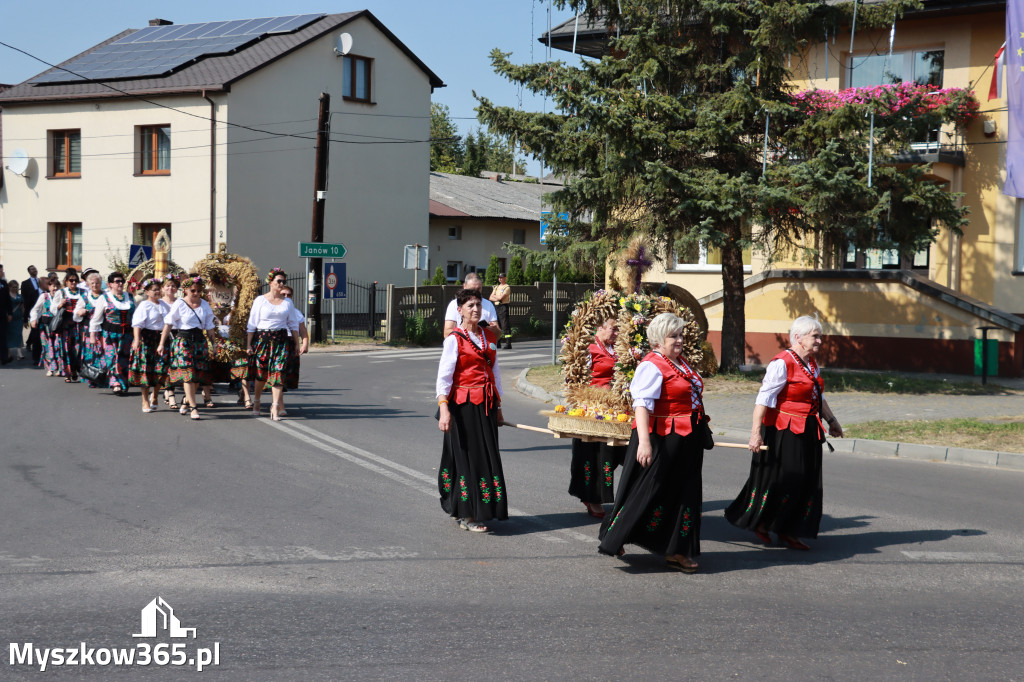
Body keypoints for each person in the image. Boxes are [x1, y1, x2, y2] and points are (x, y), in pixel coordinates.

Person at [598, 313, 708, 573]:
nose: (680, 340)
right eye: (674, 336)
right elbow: (641, 405)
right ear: (658, 340)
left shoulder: (680, 363)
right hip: (661, 438)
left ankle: (677, 549)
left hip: (687, 440)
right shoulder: (652, 365)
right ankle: (615, 535)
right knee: (644, 490)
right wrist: (644, 444)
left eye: (681, 335)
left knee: (686, 494)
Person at [724, 315, 843, 551]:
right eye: (815, 336)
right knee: (786, 478)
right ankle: (764, 522)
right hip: (784, 431)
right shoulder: (782, 363)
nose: (820, 340)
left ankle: (790, 531)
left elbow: (818, 396)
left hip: (808, 429)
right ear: (798, 337)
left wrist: (831, 420)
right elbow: (763, 400)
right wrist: (755, 434)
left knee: (806, 480)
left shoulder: (811, 363)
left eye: (820, 336)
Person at [435, 288, 508, 533]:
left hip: (486, 405)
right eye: (470, 306)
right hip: (463, 407)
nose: (475, 309)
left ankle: (482, 509)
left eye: (478, 304)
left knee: (487, 456)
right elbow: (444, 377)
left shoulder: (489, 337)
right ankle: (467, 514)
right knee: (468, 458)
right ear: (460, 311)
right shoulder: (454, 339)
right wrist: (444, 410)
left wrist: (498, 406)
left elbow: (494, 373)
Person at [569, 315, 627, 518]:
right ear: (599, 328)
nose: (616, 333)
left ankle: (600, 494)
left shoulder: (617, 348)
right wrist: (583, 404)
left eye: (618, 329)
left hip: (615, 408)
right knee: (594, 453)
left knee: (615, 452)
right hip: (593, 408)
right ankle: (592, 497)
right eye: (613, 329)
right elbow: (577, 377)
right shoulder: (588, 348)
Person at [158, 275, 218, 420]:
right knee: (188, 374)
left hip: (199, 341)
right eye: (193, 290)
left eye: (198, 290)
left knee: (197, 375)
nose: (196, 293)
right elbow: (168, 324)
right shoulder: (179, 303)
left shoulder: (204, 304)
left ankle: (186, 400)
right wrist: (161, 343)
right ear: (185, 290)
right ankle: (193, 407)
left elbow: (209, 327)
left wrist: (214, 344)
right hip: (183, 340)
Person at [246, 268, 299, 421]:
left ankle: (275, 406)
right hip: (263, 339)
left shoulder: (288, 302)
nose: (282, 284)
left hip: (281, 340)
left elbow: (293, 324)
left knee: (278, 372)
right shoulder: (260, 300)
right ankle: (257, 401)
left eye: (283, 281)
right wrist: (249, 344)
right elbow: (252, 325)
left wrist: (296, 343)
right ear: (271, 282)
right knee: (261, 375)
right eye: (279, 281)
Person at [89, 271, 136, 395]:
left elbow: (135, 317)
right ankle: (115, 383)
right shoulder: (104, 298)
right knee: (112, 357)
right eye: (117, 281)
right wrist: (93, 336)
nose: (120, 284)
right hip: (110, 334)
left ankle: (123, 383)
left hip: (127, 334)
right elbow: (96, 318)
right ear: (110, 284)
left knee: (124, 358)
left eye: (122, 281)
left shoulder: (130, 297)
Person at [128, 278, 167, 413]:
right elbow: (137, 324)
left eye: (158, 289)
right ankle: (145, 400)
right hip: (147, 338)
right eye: (154, 290)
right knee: (146, 370)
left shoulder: (163, 304)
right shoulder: (144, 305)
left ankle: (155, 395)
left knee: (161, 370)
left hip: (161, 338)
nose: (157, 292)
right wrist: (137, 340)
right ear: (147, 292)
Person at [278, 284, 309, 417]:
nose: (286, 297)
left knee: (286, 375)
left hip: (291, 344)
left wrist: (305, 344)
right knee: (278, 374)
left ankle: (278, 402)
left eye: (288, 295)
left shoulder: (296, 312)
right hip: (278, 343)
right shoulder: (275, 309)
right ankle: (280, 405)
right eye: (283, 294)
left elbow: (302, 329)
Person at [74, 271, 107, 387]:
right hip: (89, 329)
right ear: (88, 284)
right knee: (90, 352)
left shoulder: (106, 295)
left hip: (103, 328)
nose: (95, 285)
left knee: (103, 352)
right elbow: (76, 311)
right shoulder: (85, 297)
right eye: (92, 283)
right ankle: (92, 378)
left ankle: (103, 377)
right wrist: (80, 312)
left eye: (97, 283)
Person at [442, 272, 500, 338]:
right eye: (472, 290)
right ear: (464, 286)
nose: (475, 293)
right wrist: (471, 336)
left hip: (484, 346)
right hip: (463, 346)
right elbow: (447, 333)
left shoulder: (488, 305)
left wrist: (495, 331)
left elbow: (497, 334)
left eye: (478, 289)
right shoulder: (454, 304)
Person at [29, 274, 63, 376]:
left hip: (57, 326)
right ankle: (50, 368)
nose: (55, 288)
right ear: (49, 287)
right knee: (48, 346)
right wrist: (33, 319)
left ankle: (59, 368)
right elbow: (35, 309)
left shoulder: (61, 297)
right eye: (53, 286)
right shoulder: (44, 296)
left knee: (58, 346)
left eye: (57, 286)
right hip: (45, 326)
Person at [51, 269, 82, 381]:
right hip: (65, 325)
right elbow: (53, 309)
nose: (73, 283)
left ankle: (75, 369)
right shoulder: (61, 292)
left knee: (77, 348)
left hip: (79, 324)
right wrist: (60, 305)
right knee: (66, 349)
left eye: (75, 280)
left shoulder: (82, 292)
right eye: (71, 280)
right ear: (66, 281)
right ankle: (68, 372)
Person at [158, 274, 181, 409]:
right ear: (163, 288)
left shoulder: (180, 302)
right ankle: (169, 391)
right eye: (168, 285)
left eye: (173, 286)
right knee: (164, 363)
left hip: (177, 334)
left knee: (174, 363)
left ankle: (169, 389)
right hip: (162, 335)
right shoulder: (159, 302)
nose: (170, 288)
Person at [22, 265, 43, 365]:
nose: (35, 270)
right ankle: (34, 354)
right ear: (29, 272)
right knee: (34, 330)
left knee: (38, 332)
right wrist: (25, 317)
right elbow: (25, 300)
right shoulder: (25, 283)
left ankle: (30, 343)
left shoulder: (41, 281)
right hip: (32, 310)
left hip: (43, 310)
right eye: (32, 269)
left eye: (35, 269)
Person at [488, 272, 512, 349]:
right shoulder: (496, 287)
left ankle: (508, 343)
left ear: (505, 278)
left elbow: (501, 298)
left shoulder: (507, 287)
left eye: (502, 277)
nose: (500, 279)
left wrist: (495, 297)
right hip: (496, 307)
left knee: (505, 325)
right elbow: (490, 298)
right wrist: (496, 297)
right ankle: (498, 342)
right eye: (499, 278)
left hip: (503, 306)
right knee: (497, 325)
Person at [6, 280, 25, 360]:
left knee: (19, 334)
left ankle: (19, 353)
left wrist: (24, 316)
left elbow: (23, 306)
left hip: (18, 318)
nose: (15, 289)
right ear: (9, 287)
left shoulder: (20, 296)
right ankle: (8, 353)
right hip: (9, 318)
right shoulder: (7, 296)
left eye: (17, 287)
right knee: (9, 335)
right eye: (13, 287)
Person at [0, 264, 11, 366]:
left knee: (3, 336)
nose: (2, 272)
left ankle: (4, 357)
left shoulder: (3, 283)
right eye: (1, 271)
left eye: (2, 271)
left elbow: (8, 300)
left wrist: (10, 313)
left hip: (2, 314)